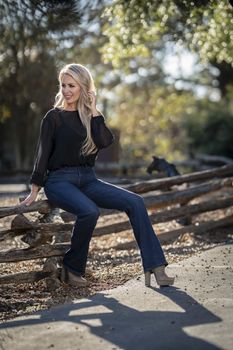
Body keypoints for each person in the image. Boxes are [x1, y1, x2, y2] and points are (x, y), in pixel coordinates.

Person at [20, 63, 175, 288]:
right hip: (59, 181)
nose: (66, 90)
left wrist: (93, 109)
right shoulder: (53, 118)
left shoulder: (90, 116)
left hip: (88, 179)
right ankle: (72, 269)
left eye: (72, 85)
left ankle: (156, 266)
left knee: (135, 202)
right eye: (63, 85)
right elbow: (42, 154)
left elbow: (105, 142)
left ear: (84, 87)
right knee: (89, 211)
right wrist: (35, 189)